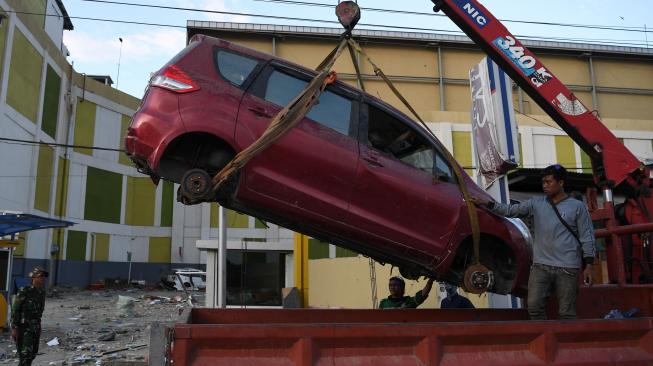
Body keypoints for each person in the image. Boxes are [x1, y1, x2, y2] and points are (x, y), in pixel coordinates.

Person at [470, 164, 596, 320]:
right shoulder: (536, 203)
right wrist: (487, 204)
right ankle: (546, 341)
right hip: (541, 266)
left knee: (567, 313)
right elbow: (509, 211)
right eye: (543, 182)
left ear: (561, 183)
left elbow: (587, 236)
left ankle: (564, 344)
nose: (544, 186)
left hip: (568, 267)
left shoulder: (577, 207)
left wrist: (589, 265)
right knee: (534, 307)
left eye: (549, 182)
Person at [11, 267, 47, 366]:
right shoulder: (24, 291)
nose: (42, 278)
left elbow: (40, 311)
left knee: (33, 354)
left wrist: (38, 327)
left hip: (35, 327)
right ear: (33, 277)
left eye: (43, 277)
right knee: (25, 355)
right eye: (40, 276)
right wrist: (14, 327)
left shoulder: (42, 292)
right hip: (24, 328)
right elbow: (15, 310)